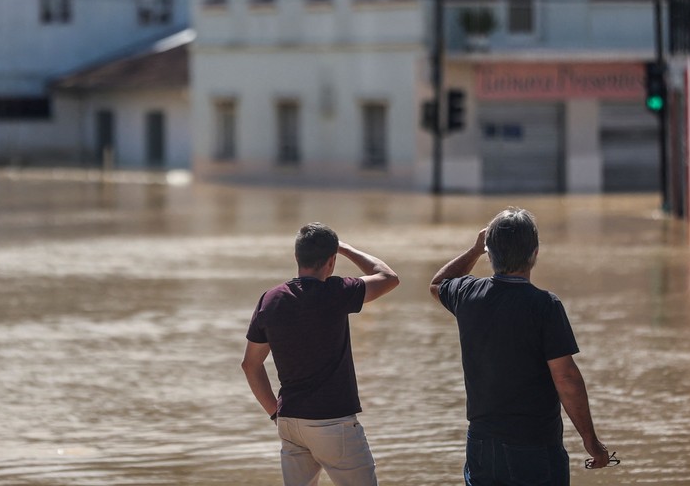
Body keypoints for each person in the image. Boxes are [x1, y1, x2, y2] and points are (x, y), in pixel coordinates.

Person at [429, 207, 612, 486]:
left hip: (482, 442)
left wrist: (475, 249)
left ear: (490, 254)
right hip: (534, 445)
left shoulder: (467, 294)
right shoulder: (545, 305)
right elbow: (566, 378)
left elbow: (438, 283)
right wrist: (591, 441)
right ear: (535, 253)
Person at [242, 222, 400, 486]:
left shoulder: (270, 299)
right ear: (332, 261)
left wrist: (276, 414)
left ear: (296, 257)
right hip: (333, 422)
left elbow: (250, 365)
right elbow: (388, 277)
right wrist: (348, 249)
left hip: (290, 422)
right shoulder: (338, 292)